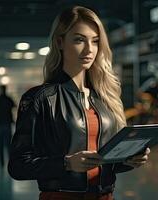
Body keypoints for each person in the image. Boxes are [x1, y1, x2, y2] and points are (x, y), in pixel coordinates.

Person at [8, 6, 150, 200]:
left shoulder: (104, 98)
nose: (89, 49)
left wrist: (129, 160)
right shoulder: (40, 98)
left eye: (95, 41)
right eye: (79, 40)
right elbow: (17, 166)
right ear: (60, 42)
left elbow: (105, 162)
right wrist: (66, 163)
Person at [0, 85, 15, 167]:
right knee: (8, 144)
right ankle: (10, 162)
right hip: (7, 124)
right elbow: (14, 105)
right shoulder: (8, 99)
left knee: (0, 145)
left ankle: (2, 163)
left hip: (0, 124)